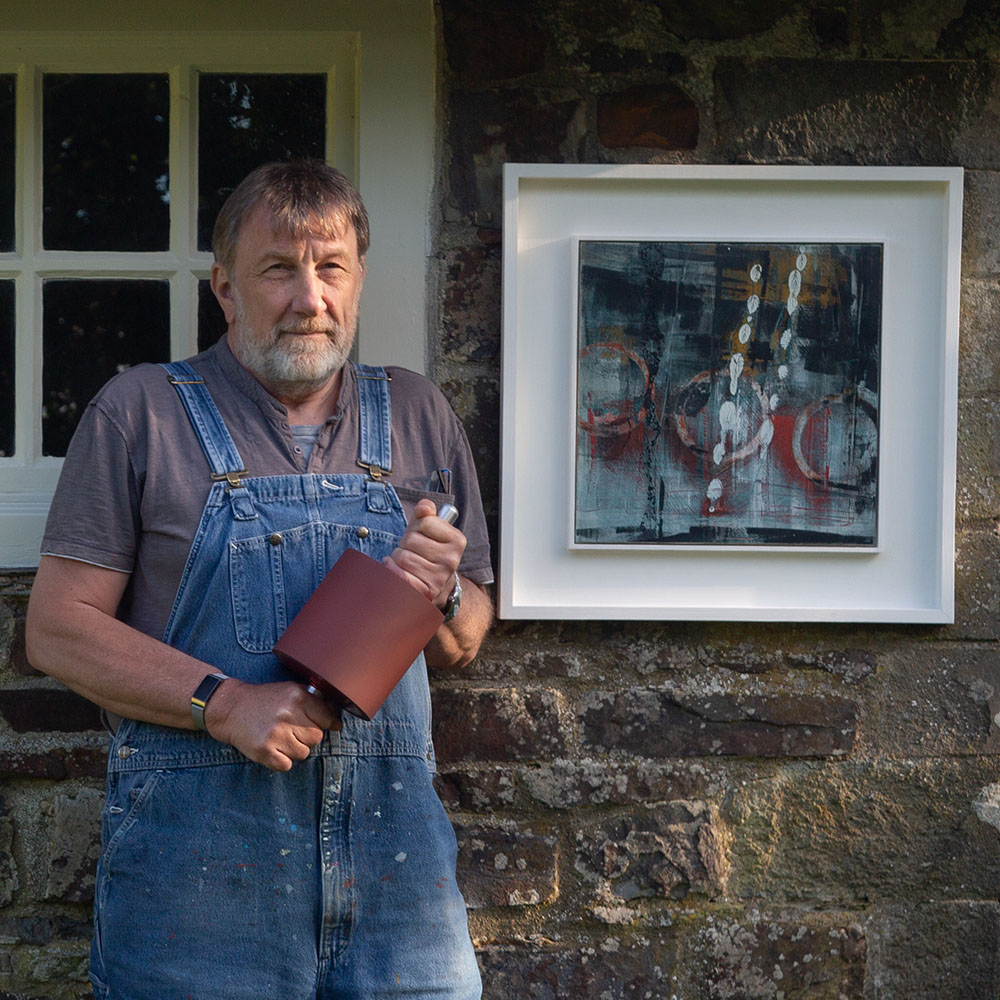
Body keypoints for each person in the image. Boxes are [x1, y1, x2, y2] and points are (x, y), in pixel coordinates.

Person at [25, 160, 493, 1000]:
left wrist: (445, 593)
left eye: (331, 269)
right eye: (278, 268)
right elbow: (58, 627)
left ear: (355, 284)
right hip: (196, 908)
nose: (308, 297)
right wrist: (227, 702)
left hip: (401, 901)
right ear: (225, 288)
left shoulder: (421, 412)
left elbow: (465, 639)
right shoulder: (139, 413)